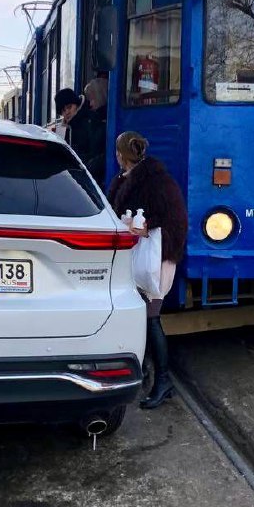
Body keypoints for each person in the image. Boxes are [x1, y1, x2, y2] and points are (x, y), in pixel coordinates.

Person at [107, 131, 188, 409]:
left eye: (118, 152)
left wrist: (147, 225)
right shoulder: (125, 179)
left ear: (121, 154)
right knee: (142, 317)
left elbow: (174, 219)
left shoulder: (156, 180)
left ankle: (163, 382)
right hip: (138, 257)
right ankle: (144, 370)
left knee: (151, 318)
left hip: (157, 258)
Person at [54, 88, 93, 165]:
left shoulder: (89, 122)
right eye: (63, 110)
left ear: (77, 104)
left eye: (69, 107)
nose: (67, 112)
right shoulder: (63, 128)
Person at [84, 77, 108, 186]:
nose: (90, 104)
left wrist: (90, 165)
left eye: (92, 99)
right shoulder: (94, 119)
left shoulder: (105, 121)